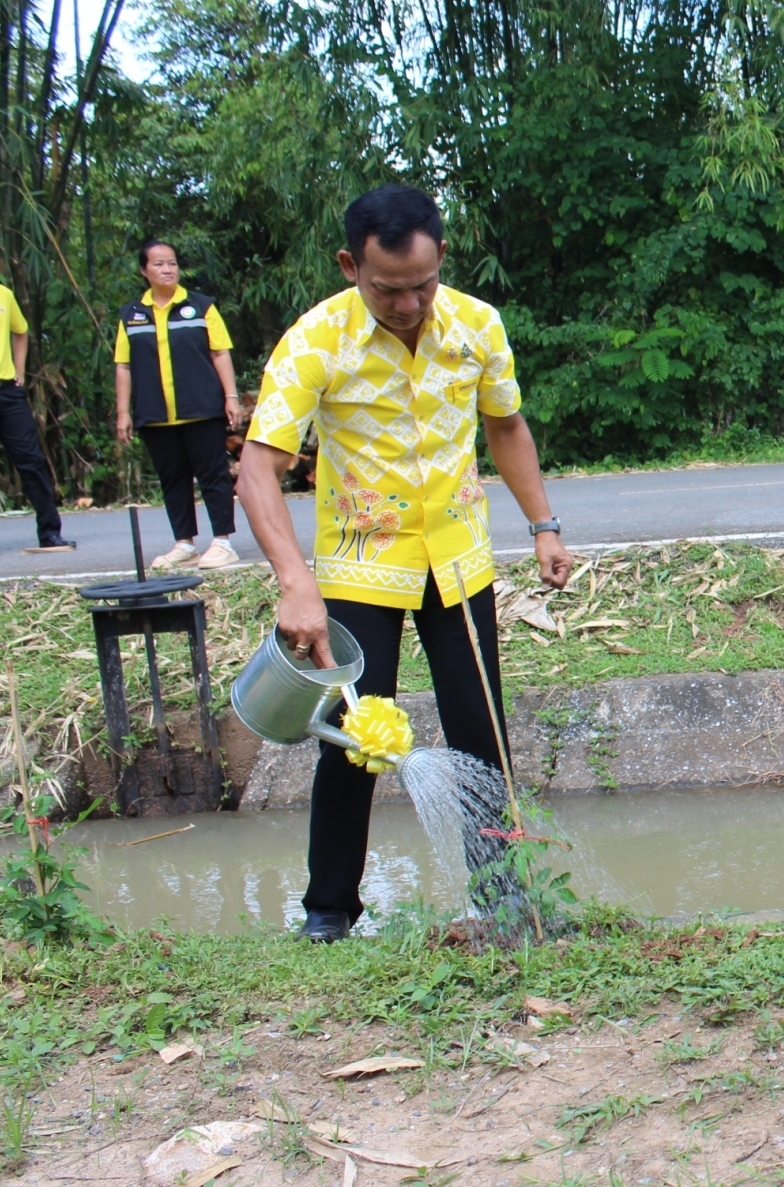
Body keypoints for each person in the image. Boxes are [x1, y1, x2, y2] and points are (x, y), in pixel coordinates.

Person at [237, 184, 571, 943]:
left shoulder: (477, 325)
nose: (411, 304)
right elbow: (258, 469)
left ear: (441, 257)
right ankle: (329, 915)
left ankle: (503, 901)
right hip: (361, 569)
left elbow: (506, 424)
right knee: (357, 743)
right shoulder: (317, 339)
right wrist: (295, 582)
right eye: (390, 289)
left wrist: (543, 526)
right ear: (352, 265)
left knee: (480, 736)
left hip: (459, 563)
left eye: (422, 284)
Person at [114, 240, 243, 569]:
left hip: (201, 408)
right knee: (173, 478)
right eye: (158, 264)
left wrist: (230, 396)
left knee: (213, 474)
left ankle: (222, 541)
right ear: (144, 271)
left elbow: (220, 353)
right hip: (155, 414)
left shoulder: (200, 306)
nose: (167, 269)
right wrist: (123, 412)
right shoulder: (132, 315)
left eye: (172, 263)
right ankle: (184, 544)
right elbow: (124, 366)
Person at [0, 236, 72, 558]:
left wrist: (20, 370)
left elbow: (21, 331)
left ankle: (50, 532)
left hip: (8, 392)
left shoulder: (3, 294)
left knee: (32, 461)